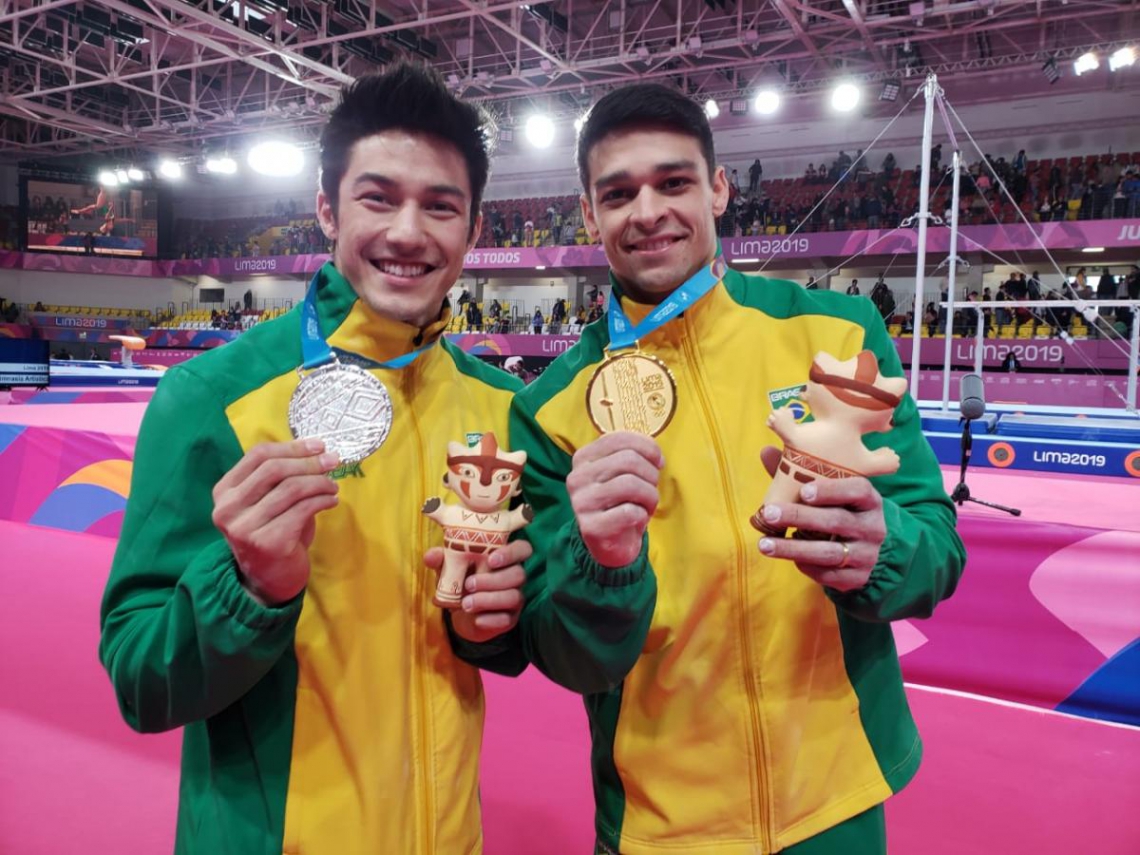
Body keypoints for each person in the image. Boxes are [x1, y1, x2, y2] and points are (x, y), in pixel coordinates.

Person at [505, 83, 966, 854]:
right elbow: (566, 655)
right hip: (661, 821)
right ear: (588, 214)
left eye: (673, 182)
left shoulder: (835, 331)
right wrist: (603, 567)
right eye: (618, 193)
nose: (647, 210)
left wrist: (881, 551)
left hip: (835, 796)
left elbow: (937, 552)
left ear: (719, 189)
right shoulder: (550, 408)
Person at [98, 64, 531, 855]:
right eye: (378, 197)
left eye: (441, 206)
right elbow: (139, 676)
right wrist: (251, 588)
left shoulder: (500, 407)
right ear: (326, 208)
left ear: (474, 231)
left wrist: (488, 625)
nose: (408, 230)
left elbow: (502, 641)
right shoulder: (211, 398)